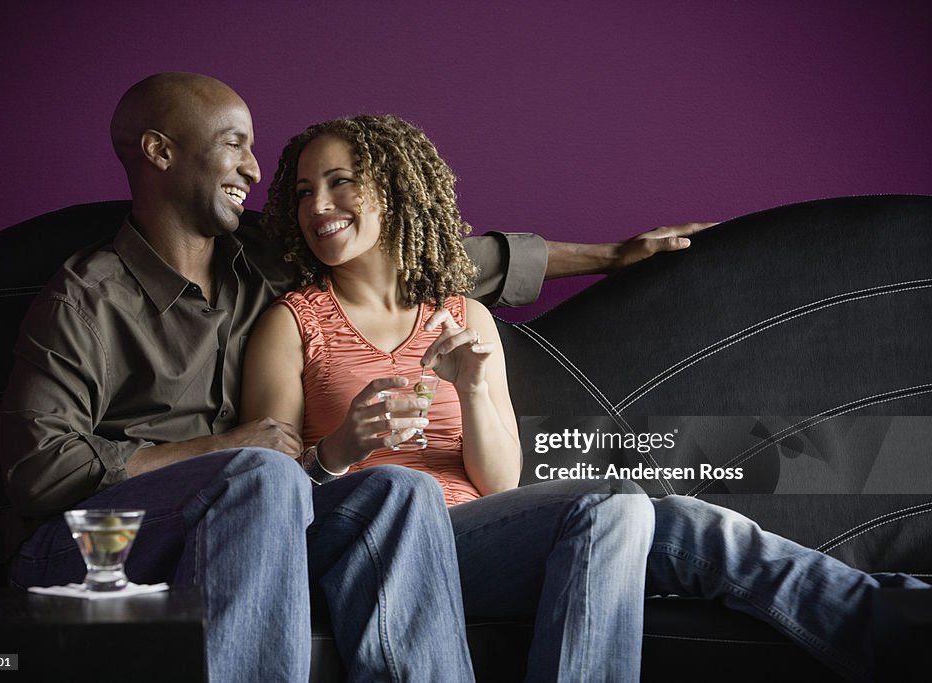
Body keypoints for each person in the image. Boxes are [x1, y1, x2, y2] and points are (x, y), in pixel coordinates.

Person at [0, 72, 705, 683]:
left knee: (406, 487)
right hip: (100, 538)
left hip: (245, 522)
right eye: (234, 144)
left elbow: (435, 250)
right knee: (263, 474)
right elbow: (38, 469)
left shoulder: (255, 259)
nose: (254, 170)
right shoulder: (85, 296)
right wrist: (230, 448)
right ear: (160, 150)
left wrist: (610, 255)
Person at [245, 113, 928, 682]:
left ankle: (902, 632)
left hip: (477, 543)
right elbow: (265, 493)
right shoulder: (292, 323)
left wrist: (478, 386)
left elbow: (498, 481)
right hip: (374, 542)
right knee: (615, 501)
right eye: (303, 192)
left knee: (686, 526)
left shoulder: (462, 315)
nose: (317, 207)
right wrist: (339, 449)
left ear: (391, 190)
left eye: (340, 183)